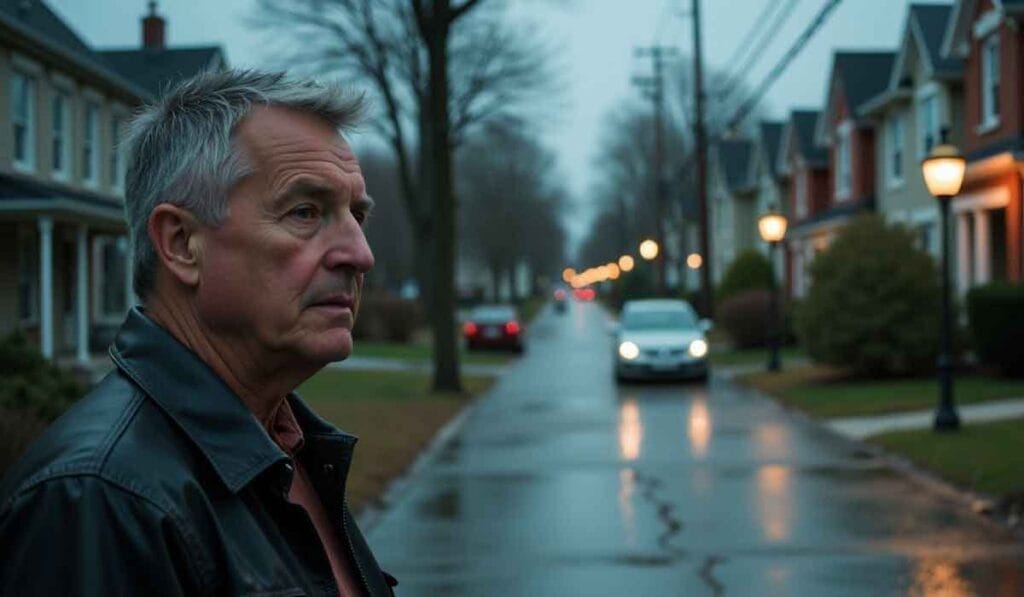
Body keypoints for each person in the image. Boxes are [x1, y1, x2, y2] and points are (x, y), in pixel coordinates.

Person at [0, 69, 396, 596]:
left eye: (356, 215)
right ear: (182, 243)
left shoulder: (290, 450)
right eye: (305, 211)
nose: (360, 254)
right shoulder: (101, 500)